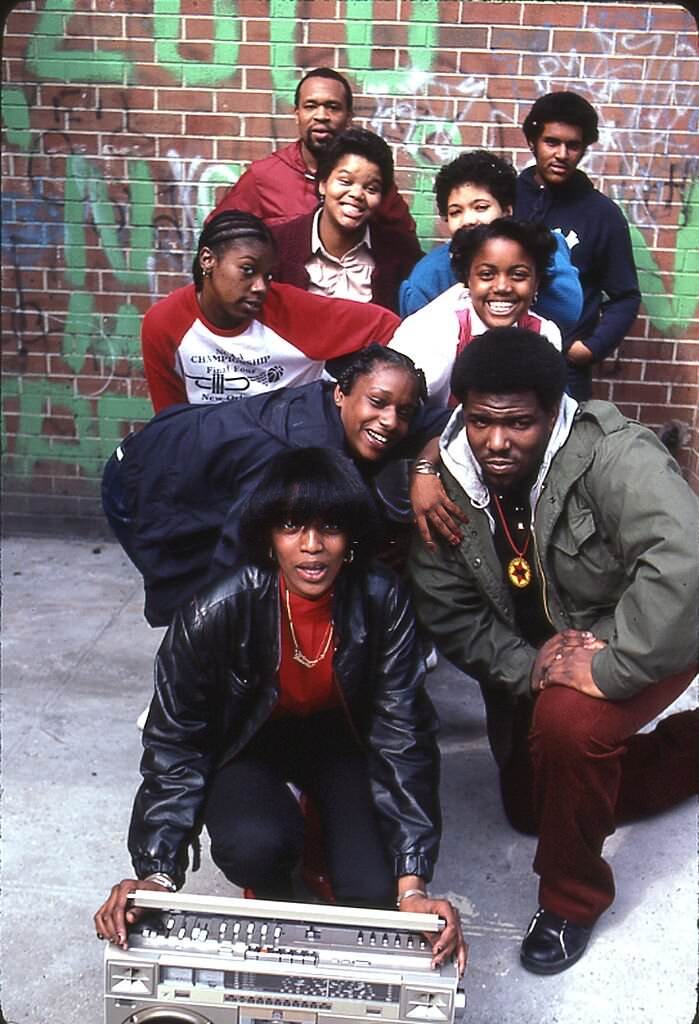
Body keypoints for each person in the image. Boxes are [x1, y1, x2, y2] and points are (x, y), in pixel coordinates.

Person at [94, 448, 467, 974]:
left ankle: (324, 835)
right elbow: (177, 744)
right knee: (255, 845)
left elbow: (403, 735)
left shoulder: (384, 600)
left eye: (330, 527)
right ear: (268, 536)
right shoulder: (213, 610)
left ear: (351, 539)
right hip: (253, 744)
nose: (312, 547)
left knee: (372, 892)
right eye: (292, 526)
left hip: (343, 742)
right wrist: (156, 873)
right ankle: (277, 879)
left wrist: (414, 887)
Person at [408, 328, 698, 974]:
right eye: (481, 421)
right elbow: (446, 607)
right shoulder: (445, 478)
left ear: (551, 411)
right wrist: (524, 666)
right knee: (529, 808)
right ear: (460, 412)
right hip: (537, 650)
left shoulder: (613, 455)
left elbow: (683, 567)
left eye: (517, 424)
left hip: (649, 630)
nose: (497, 441)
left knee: (569, 727)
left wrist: (608, 668)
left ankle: (572, 898)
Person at [104, 345, 451, 627]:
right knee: (202, 599)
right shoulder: (297, 454)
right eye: (377, 403)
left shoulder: (370, 412)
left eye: (403, 412)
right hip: (140, 479)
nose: (390, 421)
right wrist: (209, 637)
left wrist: (423, 470)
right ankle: (185, 693)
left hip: (201, 471)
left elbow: (456, 422)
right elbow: (234, 555)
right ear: (341, 393)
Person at [141, 210, 400, 412]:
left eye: (268, 275)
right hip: (211, 454)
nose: (260, 287)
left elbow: (386, 325)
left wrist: (363, 391)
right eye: (247, 270)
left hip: (287, 456)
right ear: (207, 260)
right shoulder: (164, 323)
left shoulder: (289, 308)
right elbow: (169, 421)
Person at [515, 91, 641, 401]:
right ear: (532, 141)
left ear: (584, 149)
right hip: (501, 351)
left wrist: (588, 349)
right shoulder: (506, 197)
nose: (562, 154)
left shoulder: (603, 215)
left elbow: (625, 295)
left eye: (573, 145)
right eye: (551, 142)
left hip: (565, 369)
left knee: (569, 449)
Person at [210, 67, 416, 238]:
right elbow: (218, 236)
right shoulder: (264, 176)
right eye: (311, 106)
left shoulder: (370, 179)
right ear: (297, 114)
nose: (321, 116)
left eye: (333, 107)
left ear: (349, 117)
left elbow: (404, 242)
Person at [399, 149, 582, 328]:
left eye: (481, 207)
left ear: (507, 211)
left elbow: (567, 313)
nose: (468, 220)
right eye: (456, 212)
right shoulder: (428, 277)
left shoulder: (540, 248)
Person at [390, 218, 562, 407]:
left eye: (518, 275)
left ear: (536, 282)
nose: (502, 287)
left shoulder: (545, 334)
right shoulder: (436, 330)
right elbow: (399, 408)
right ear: (467, 279)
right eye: (487, 275)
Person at [271, 128, 423, 314]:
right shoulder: (276, 245)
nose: (357, 194)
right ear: (323, 184)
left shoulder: (401, 255)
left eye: (371, 188)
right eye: (345, 181)